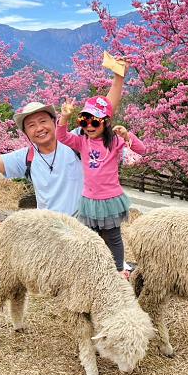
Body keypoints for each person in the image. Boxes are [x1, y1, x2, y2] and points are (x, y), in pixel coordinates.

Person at [0, 65, 126, 216]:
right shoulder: (26, 157)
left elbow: (105, 109)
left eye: (43, 121)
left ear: (55, 123)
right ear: (26, 132)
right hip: (51, 232)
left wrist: (118, 77)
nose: (39, 128)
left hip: (85, 226)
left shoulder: (77, 142)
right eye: (31, 125)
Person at [56, 96, 146, 278]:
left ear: (105, 122)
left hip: (110, 200)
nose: (89, 126)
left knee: (112, 238)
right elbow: (62, 137)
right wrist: (64, 117)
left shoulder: (114, 142)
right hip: (89, 200)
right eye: (84, 120)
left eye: (94, 121)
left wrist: (128, 136)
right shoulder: (82, 141)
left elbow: (141, 150)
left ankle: (118, 270)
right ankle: (92, 270)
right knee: (88, 237)